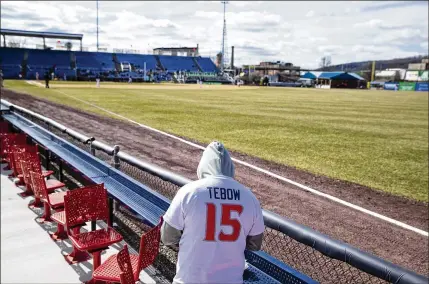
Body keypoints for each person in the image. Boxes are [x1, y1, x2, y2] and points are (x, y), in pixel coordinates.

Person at [161, 141, 265, 284]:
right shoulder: (250, 197)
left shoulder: (189, 192)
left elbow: (168, 237)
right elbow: (255, 245)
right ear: (230, 167)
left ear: (203, 165)